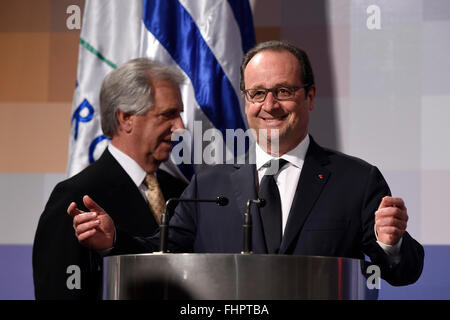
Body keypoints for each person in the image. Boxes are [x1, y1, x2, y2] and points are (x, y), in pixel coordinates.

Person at [69, 41, 424, 286]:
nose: (269, 105)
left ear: (310, 96)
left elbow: (403, 271)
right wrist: (114, 239)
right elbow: (163, 253)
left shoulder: (357, 181)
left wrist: (389, 244)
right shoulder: (208, 184)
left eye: (284, 91)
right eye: (257, 93)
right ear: (245, 100)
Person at [33, 58, 188, 299]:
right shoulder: (75, 198)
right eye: (168, 115)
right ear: (126, 118)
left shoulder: (183, 192)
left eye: (179, 115)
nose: (180, 126)